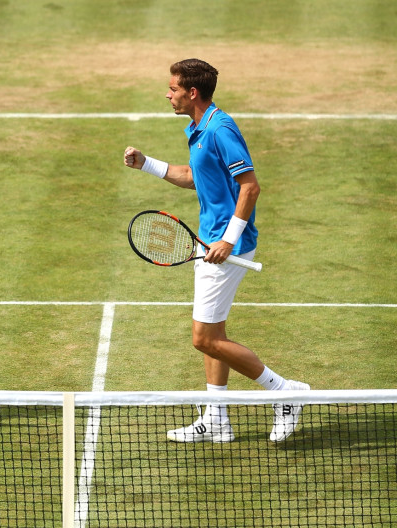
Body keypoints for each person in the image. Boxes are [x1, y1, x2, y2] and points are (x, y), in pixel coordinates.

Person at [124, 58, 309, 443]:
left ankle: (285, 392)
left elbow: (250, 186)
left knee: (204, 338)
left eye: (173, 88)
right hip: (208, 242)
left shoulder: (221, 129)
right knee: (214, 331)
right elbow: (195, 177)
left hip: (225, 247)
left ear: (192, 92)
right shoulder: (197, 128)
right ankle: (216, 419)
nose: (167, 93)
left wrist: (228, 239)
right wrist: (146, 165)